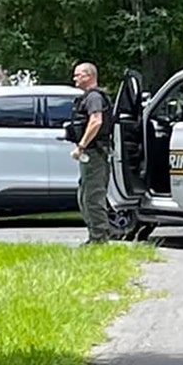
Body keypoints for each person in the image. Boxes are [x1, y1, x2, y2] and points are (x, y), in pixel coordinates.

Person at [69, 62, 113, 245]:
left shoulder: (94, 97)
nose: (74, 78)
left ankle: (99, 239)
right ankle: (94, 237)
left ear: (88, 76)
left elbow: (96, 121)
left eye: (78, 75)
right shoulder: (89, 97)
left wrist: (81, 146)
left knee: (93, 197)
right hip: (92, 153)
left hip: (95, 152)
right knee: (85, 195)